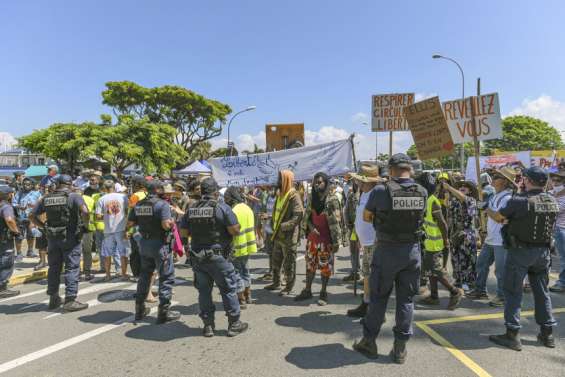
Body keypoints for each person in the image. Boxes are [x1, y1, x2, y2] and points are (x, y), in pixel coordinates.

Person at [353, 154, 426, 363]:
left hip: (386, 250)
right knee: (406, 300)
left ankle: (369, 341)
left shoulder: (380, 190)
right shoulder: (421, 191)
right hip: (411, 251)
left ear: (391, 170)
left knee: (378, 297)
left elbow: (367, 217)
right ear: (409, 169)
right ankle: (400, 348)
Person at [487, 166, 557, 351]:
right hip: (543, 253)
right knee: (542, 293)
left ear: (527, 180)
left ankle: (512, 334)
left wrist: (486, 208)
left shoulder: (519, 201)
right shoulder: (551, 200)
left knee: (512, 292)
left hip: (520, 252)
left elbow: (499, 216)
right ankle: (547, 333)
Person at [180, 178, 248, 337]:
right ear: (216, 192)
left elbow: (183, 233)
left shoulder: (191, 209)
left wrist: (187, 247)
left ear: (201, 191)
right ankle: (234, 324)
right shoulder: (222, 208)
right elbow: (234, 230)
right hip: (218, 257)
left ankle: (208, 326)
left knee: (204, 291)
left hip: (197, 257)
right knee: (228, 289)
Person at [30, 174, 90, 312]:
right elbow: (85, 211)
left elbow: (32, 216)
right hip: (70, 238)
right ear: (69, 184)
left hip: (52, 238)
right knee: (72, 268)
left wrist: (43, 227)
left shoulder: (46, 198)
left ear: (57, 184)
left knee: (54, 268)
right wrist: (84, 226)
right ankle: (70, 300)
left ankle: (54, 298)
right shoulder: (74, 196)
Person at [127, 181, 180, 324]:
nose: (163, 190)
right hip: (160, 244)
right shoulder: (162, 205)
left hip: (144, 243)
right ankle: (164, 312)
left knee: (145, 275)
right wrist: (173, 221)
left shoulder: (139, 204)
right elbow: (166, 224)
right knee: (166, 277)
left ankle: (139, 309)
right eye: (162, 188)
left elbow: (130, 224)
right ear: (157, 190)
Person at [467, 167, 516, 306]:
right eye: (493, 176)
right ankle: (480, 290)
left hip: (501, 240)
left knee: (501, 271)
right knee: (481, 264)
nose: (492, 179)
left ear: (505, 181)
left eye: (496, 177)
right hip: (491, 239)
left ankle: (502, 297)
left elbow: (499, 217)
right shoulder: (496, 194)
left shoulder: (507, 198)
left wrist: (485, 208)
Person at [295, 172, 343, 305]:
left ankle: (323, 293)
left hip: (326, 239)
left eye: (320, 182)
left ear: (326, 183)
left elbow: (337, 221)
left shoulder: (332, 199)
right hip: (312, 238)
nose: (317, 184)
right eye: (315, 182)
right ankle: (307, 290)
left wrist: (337, 241)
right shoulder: (311, 197)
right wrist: (310, 227)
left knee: (325, 267)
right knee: (310, 265)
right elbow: (308, 216)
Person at [418, 174, 464, 310]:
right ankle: (434, 296)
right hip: (427, 242)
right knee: (431, 270)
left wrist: (445, 240)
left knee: (436, 269)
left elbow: (442, 223)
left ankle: (454, 292)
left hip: (434, 242)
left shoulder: (432, 201)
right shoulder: (426, 199)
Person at [346, 164, 381, 318]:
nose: (357, 182)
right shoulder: (364, 193)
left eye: (360, 179)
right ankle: (367, 304)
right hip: (366, 243)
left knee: (373, 277)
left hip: (375, 243)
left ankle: (375, 310)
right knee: (367, 274)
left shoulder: (376, 195)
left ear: (367, 181)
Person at [264, 170, 304, 295]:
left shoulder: (293, 196)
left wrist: (283, 226)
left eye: (280, 179)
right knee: (276, 261)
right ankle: (276, 283)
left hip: (288, 236)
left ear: (286, 180)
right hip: (278, 235)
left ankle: (288, 287)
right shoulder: (280, 194)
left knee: (289, 263)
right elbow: (279, 213)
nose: (278, 181)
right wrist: (270, 218)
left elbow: (298, 215)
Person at [224, 186, 257, 309]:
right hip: (248, 246)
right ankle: (248, 295)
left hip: (236, 246)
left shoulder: (233, 210)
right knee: (245, 270)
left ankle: (241, 298)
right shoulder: (247, 208)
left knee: (236, 273)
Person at [444, 180, 479, 291]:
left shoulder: (471, 200)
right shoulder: (454, 201)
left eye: (466, 187)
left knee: (468, 260)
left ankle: (469, 282)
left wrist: (449, 187)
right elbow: (448, 211)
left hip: (466, 235)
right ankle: (459, 281)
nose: (463, 187)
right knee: (455, 259)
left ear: (470, 191)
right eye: (461, 186)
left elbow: (464, 198)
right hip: (455, 235)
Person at [96, 180, 130, 281]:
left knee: (107, 254)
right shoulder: (123, 197)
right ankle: (123, 274)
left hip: (108, 230)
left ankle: (108, 275)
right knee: (123, 253)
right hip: (121, 229)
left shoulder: (101, 199)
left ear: (104, 188)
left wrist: (107, 216)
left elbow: (98, 216)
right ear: (114, 187)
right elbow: (127, 212)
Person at [12, 177, 41, 260]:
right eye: (24, 184)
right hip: (20, 218)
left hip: (32, 218)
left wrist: (34, 206)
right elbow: (13, 203)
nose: (26, 186)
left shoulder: (37, 194)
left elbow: (41, 204)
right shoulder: (19, 193)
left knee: (31, 235)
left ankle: (30, 251)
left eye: (28, 184)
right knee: (19, 236)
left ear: (32, 185)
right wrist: (20, 207)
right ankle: (19, 253)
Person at [0, 185, 21, 298]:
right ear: (8, 195)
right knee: (6, 262)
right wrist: (16, 232)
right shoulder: (6, 207)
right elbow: (9, 220)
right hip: (4, 240)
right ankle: (2, 288)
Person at [549, 168, 565, 292]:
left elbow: (555, 210)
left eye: (558, 180)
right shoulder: (553, 193)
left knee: (563, 258)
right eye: (553, 179)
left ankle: (562, 283)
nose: (554, 182)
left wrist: (551, 198)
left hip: (562, 230)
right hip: (557, 229)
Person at [343, 178, 361, 283]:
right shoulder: (350, 195)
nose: (355, 183)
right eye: (353, 181)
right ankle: (355, 271)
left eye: (357, 181)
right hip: (353, 228)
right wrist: (348, 224)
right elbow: (346, 211)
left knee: (365, 251)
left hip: (362, 228)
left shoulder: (364, 194)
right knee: (353, 250)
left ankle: (364, 274)